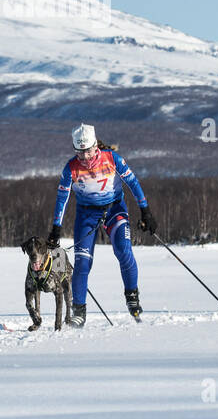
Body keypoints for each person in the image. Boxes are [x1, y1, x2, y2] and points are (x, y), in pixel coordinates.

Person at [48, 123, 157, 325]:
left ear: (95, 147)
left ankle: (132, 297)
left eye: (88, 151)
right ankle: (79, 310)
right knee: (82, 263)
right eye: (80, 153)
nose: (86, 158)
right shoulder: (70, 168)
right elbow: (62, 198)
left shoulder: (112, 159)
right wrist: (56, 228)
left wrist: (146, 211)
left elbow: (133, 183)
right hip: (87, 215)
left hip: (114, 210)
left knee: (124, 251)